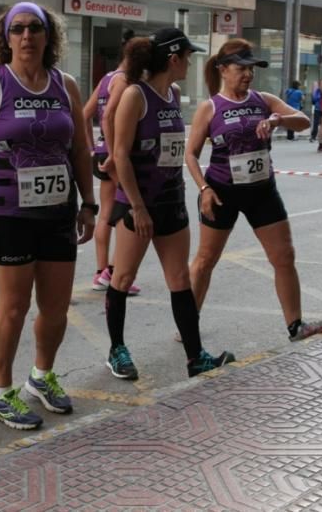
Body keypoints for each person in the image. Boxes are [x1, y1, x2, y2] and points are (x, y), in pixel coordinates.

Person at [0, 2, 96, 430]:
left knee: (55, 307)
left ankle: (41, 376)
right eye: (16, 29)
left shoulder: (65, 85)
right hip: (9, 214)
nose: (26, 37)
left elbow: (80, 149)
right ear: (5, 38)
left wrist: (89, 204)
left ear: (47, 35)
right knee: (15, 307)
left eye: (34, 28)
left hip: (59, 212)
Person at [186, 39, 322, 348]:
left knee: (284, 256)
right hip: (222, 192)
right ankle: (188, 322)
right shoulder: (210, 107)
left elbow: (304, 120)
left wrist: (277, 118)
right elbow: (190, 154)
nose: (247, 75)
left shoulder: (263, 100)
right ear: (223, 70)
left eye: (251, 69)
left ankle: (295, 324)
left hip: (262, 191)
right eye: (240, 68)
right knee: (205, 260)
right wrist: (203, 188)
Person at [104, 28, 232, 382]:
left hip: (171, 200)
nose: (191, 64)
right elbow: (120, 155)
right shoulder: (135, 96)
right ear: (173, 59)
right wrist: (137, 207)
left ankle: (196, 357)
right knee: (124, 276)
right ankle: (116, 349)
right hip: (138, 204)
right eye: (188, 57)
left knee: (179, 278)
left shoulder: (173, 94)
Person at [82, 29, 141, 295]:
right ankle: (115, 272)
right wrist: (115, 149)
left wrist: (91, 148)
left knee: (106, 212)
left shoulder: (106, 78)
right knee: (124, 210)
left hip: (102, 152)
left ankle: (100, 273)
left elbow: (85, 114)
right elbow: (105, 117)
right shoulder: (123, 81)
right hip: (114, 154)